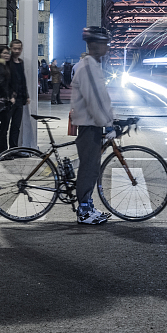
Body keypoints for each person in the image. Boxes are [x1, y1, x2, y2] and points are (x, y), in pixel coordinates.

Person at [69, 26, 116, 225]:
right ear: (95, 45)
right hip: (89, 126)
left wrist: (111, 119)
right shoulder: (87, 66)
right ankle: (84, 211)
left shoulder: (93, 64)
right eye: (104, 43)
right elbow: (95, 100)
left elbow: (102, 98)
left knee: (92, 167)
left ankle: (88, 204)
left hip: (92, 124)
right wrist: (108, 124)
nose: (107, 47)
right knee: (89, 168)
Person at [7, 38, 30, 148]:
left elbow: (22, 80)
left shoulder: (21, 62)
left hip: (20, 99)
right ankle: (3, 151)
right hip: (9, 100)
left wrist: (26, 96)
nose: (17, 51)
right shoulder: (7, 63)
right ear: (11, 48)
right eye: (15, 48)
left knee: (16, 126)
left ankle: (13, 148)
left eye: (19, 49)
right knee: (5, 126)